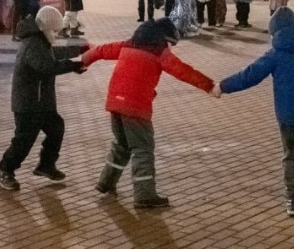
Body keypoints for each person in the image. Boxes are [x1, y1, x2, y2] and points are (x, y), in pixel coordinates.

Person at [82, 18, 217, 208]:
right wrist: (209, 86)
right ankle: (145, 195)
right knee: (143, 148)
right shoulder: (159, 53)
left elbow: (101, 50)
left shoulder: (127, 45)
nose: (170, 48)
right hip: (135, 106)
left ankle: (106, 183)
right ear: (164, 39)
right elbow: (183, 71)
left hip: (115, 102)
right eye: (170, 44)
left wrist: (83, 61)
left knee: (121, 145)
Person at [216, 7, 294, 216]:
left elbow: (250, 75)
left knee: (292, 156)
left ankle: (293, 200)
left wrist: (222, 86)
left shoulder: (275, 54)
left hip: (289, 116)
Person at [0, 6, 86, 191]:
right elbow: (47, 66)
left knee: (56, 128)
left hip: (42, 103)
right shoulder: (32, 45)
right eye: (54, 30)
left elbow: (53, 54)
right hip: (28, 105)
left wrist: (78, 50)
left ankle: (46, 165)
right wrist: (73, 66)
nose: (55, 34)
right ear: (47, 27)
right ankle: (5, 170)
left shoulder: (40, 40)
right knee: (23, 141)